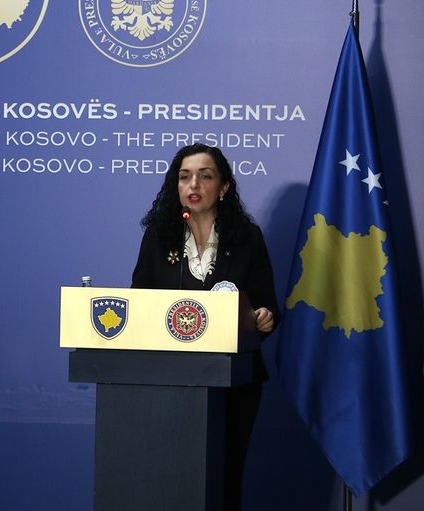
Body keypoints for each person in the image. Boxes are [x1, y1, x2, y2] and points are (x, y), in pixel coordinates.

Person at [131, 143, 279, 510]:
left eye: (205, 176)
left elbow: (267, 305)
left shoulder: (247, 238)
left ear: (223, 187)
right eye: (185, 177)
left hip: (234, 383)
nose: (193, 184)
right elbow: (139, 302)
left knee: (224, 479)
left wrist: (264, 316)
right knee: (172, 480)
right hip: (169, 380)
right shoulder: (159, 237)